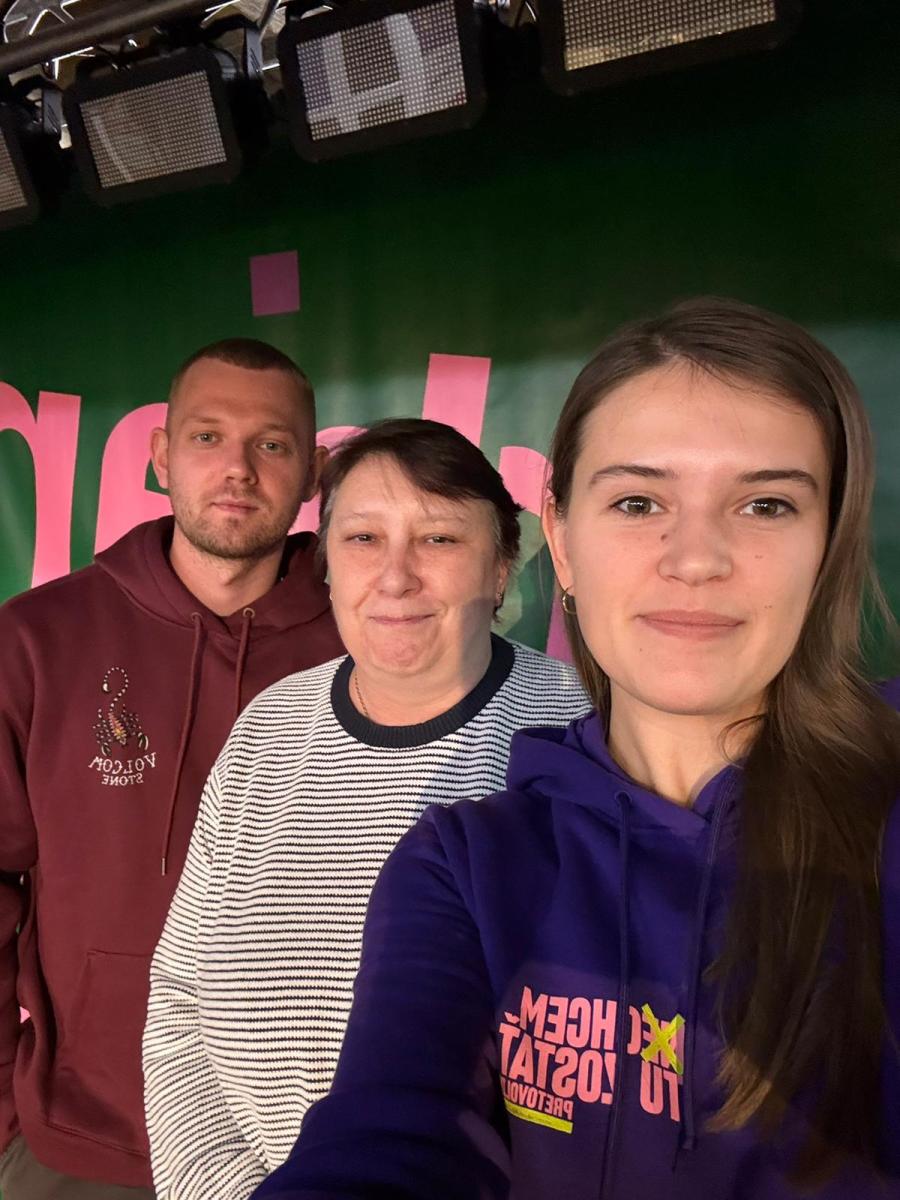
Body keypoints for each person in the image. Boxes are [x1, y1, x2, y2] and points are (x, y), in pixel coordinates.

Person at [250, 299, 900, 1200]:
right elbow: (383, 1140)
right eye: (638, 501)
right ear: (561, 539)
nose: (696, 558)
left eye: (765, 504)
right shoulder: (465, 864)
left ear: (826, 545)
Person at [142, 417, 590, 1199]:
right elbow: (181, 1000)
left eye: (439, 538)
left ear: (502, 567)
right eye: (362, 539)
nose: (395, 577)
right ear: (327, 565)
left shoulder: (583, 731)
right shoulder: (269, 726)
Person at [0, 338, 344, 1199]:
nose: (238, 469)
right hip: (81, 1142)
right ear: (160, 457)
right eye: (207, 437)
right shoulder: (37, 638)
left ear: (314, 472)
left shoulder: (367, 646)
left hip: (306, 1149)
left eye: (272, 444)